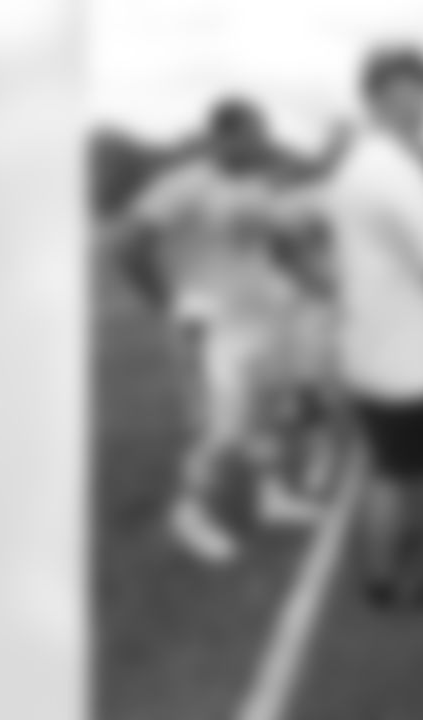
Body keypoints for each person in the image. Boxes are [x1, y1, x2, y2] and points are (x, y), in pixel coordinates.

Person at [113, 97, 324, 565]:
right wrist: (169, 305)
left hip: (264, 316)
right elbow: (127, 244)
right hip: (211, 324)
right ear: (222, 138)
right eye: (254, 134)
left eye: (264, 132)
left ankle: (270, 496)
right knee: (222, 429)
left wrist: (319, 285)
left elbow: (281, 246)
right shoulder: (184, 185)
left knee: (266, 415)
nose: (264, 142)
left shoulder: (258, 185)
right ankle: (188, 513)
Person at [319, 44, 423, 609]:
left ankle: (387, 562)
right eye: (419, 88)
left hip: (373, 343)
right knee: (406, 471)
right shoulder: (398, 173)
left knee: (390, 463)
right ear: (382, 96)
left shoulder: (360, 162)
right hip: (408, 356)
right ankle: (388, 579)